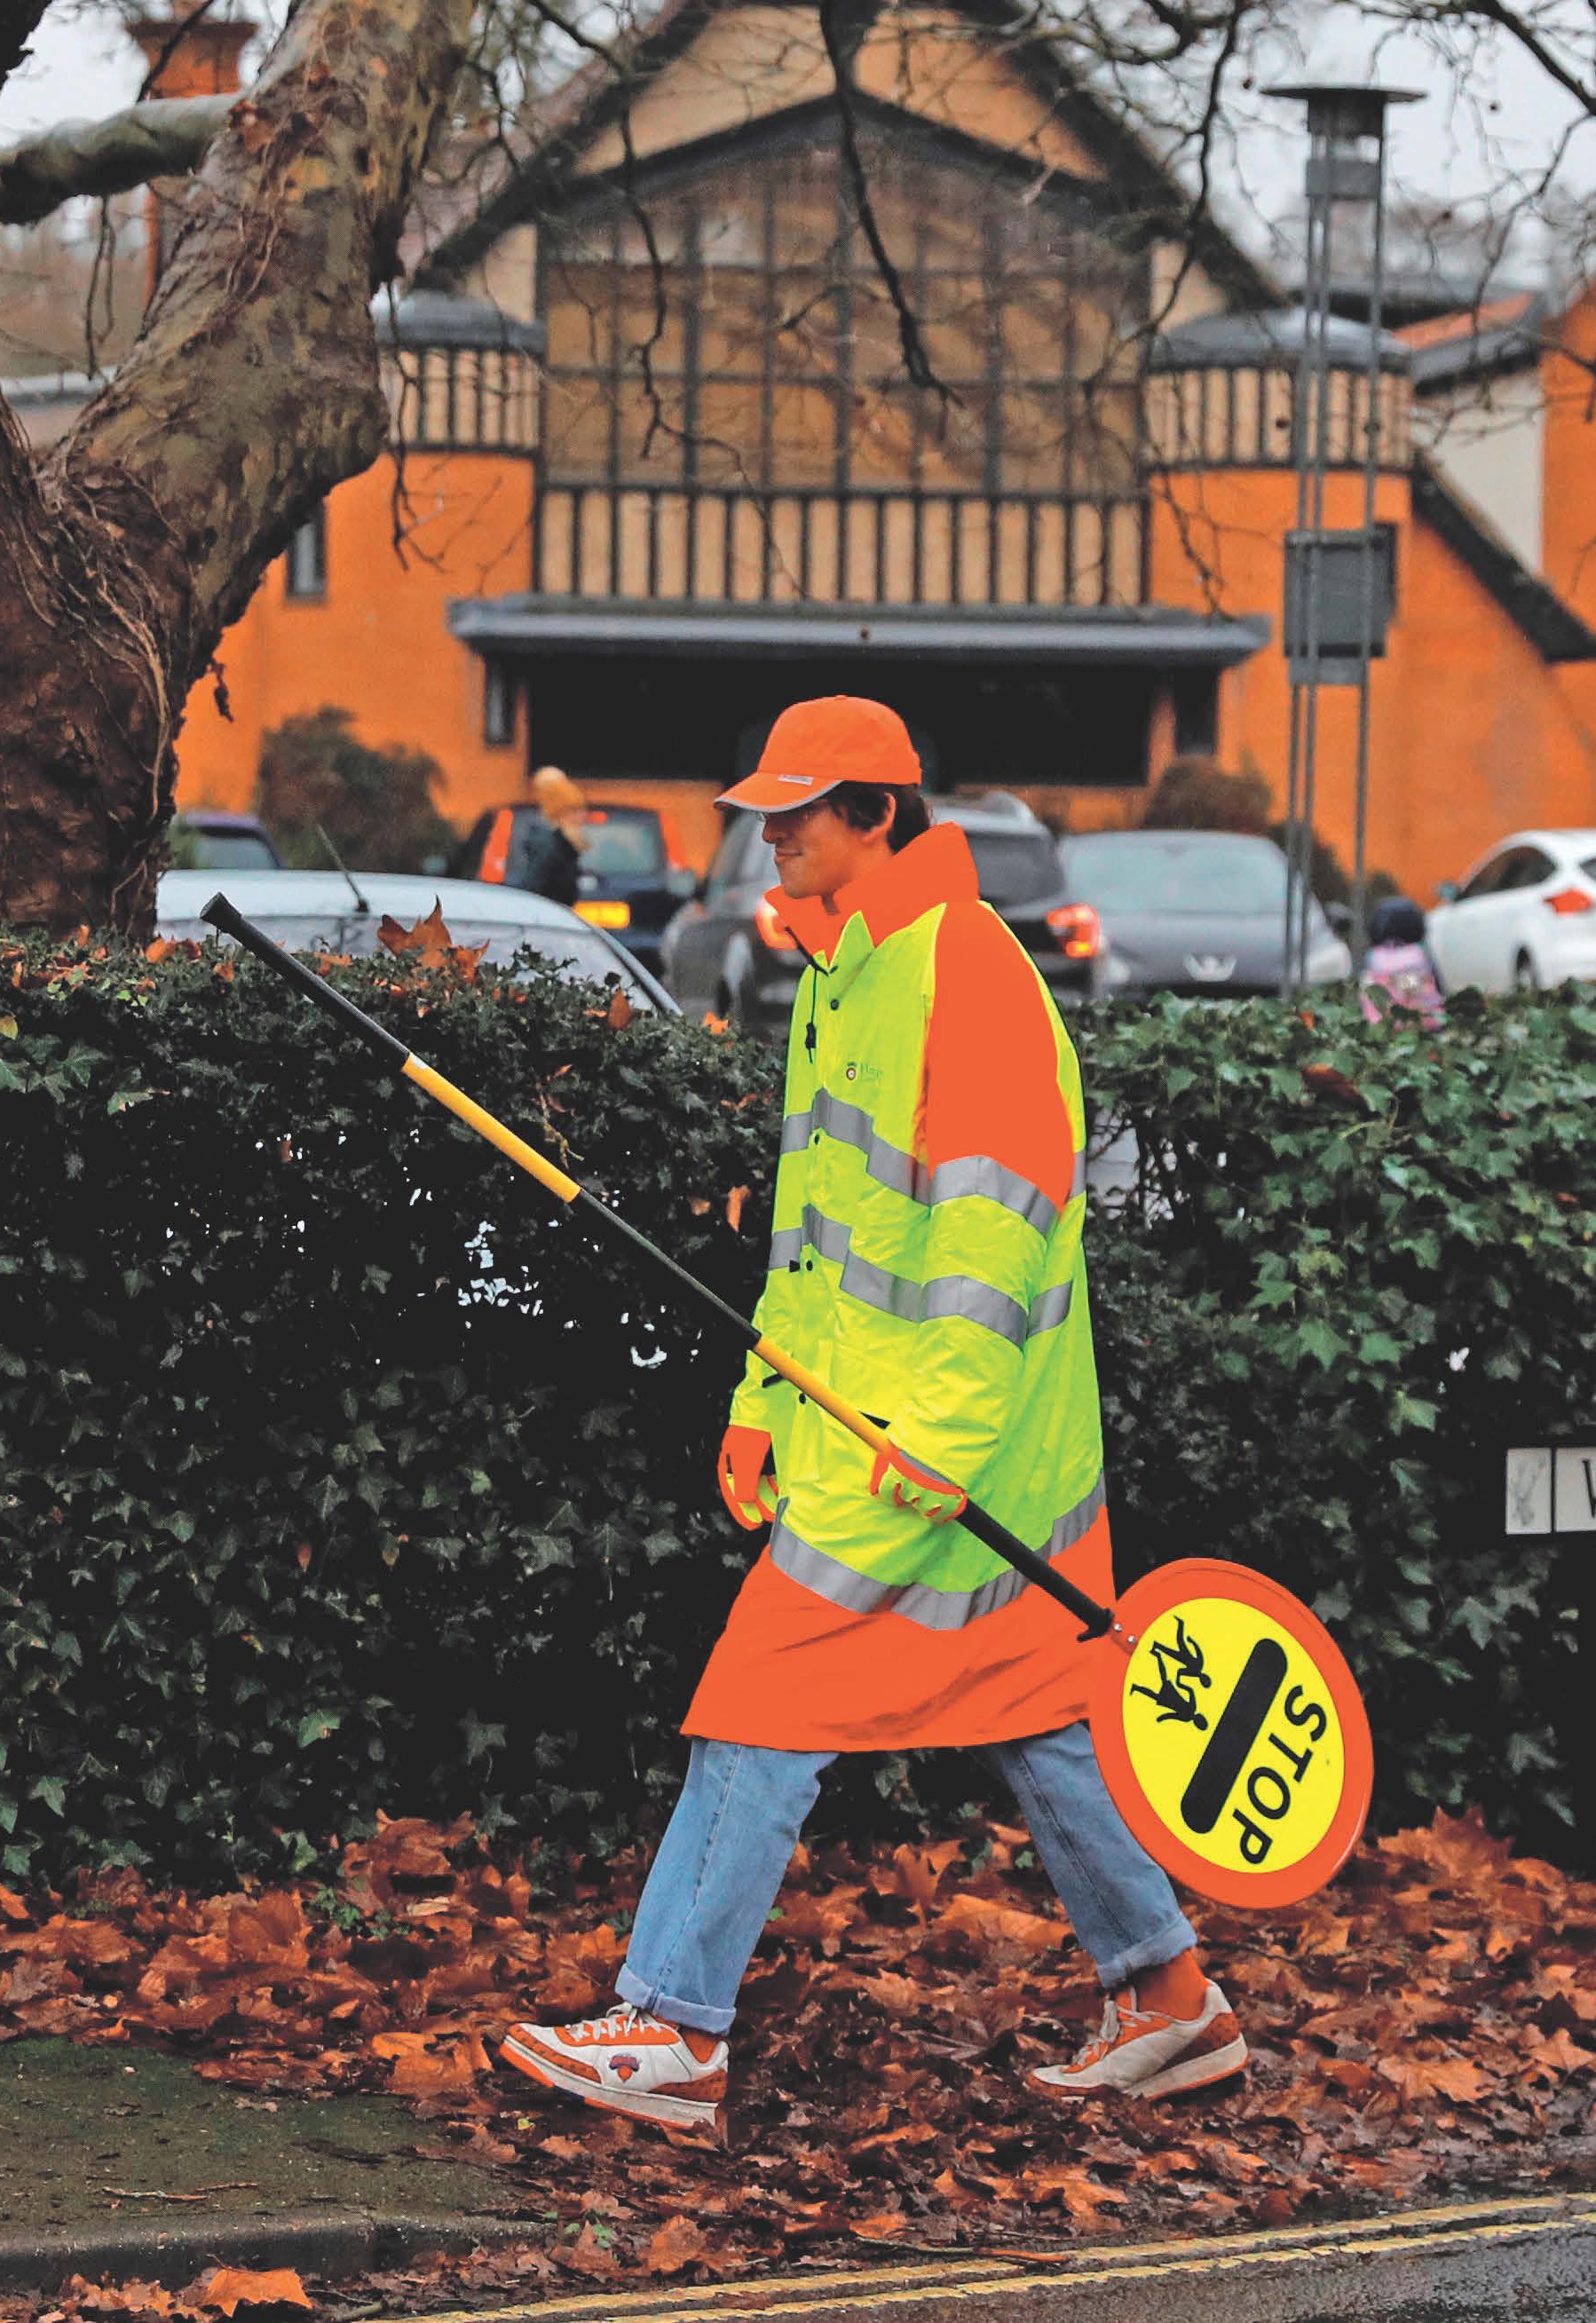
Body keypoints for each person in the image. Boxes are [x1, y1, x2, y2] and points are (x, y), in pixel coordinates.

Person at [501, 697, 1246, 2132]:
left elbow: (999, 1222)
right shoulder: (849, 975)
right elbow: (815, 1233)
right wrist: (761, 1398)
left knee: (758, 1706)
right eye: (766, 810)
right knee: (1038, 1710)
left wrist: (938, 1438)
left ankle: (670, 2026)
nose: (768, 834)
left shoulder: (960, 971)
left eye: (798, 810)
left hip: (939, 1454)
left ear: (878, 817)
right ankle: (1170, 2002)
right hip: (915, 1444)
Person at [507, 765, 594, 908]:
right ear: (563, 814)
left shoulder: (564, 845)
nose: (583, 817)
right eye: (576, 810)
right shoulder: (552, 845)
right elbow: (534, 888)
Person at [1358, 896, 1445, 1024]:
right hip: (1421, 1023)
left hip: (1380, 1024)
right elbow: (1436, 990)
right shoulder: (1418, 954)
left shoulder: (1372, 957)